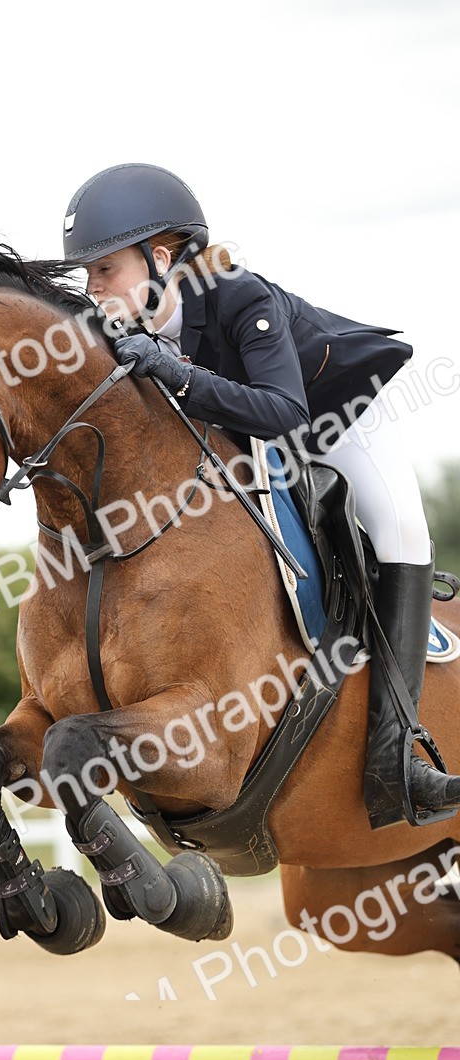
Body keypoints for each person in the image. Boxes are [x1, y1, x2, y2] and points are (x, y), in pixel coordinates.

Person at [62, 162, 460, 829]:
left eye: (105, 270)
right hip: (249, 443)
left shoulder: (240, 299)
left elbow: (283, 413)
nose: (92, 287)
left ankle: (400, 759)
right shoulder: (124, 327)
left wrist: (175, 376)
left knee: (399, 530)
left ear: (160, 258)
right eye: (89, 273)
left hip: (336, 421)